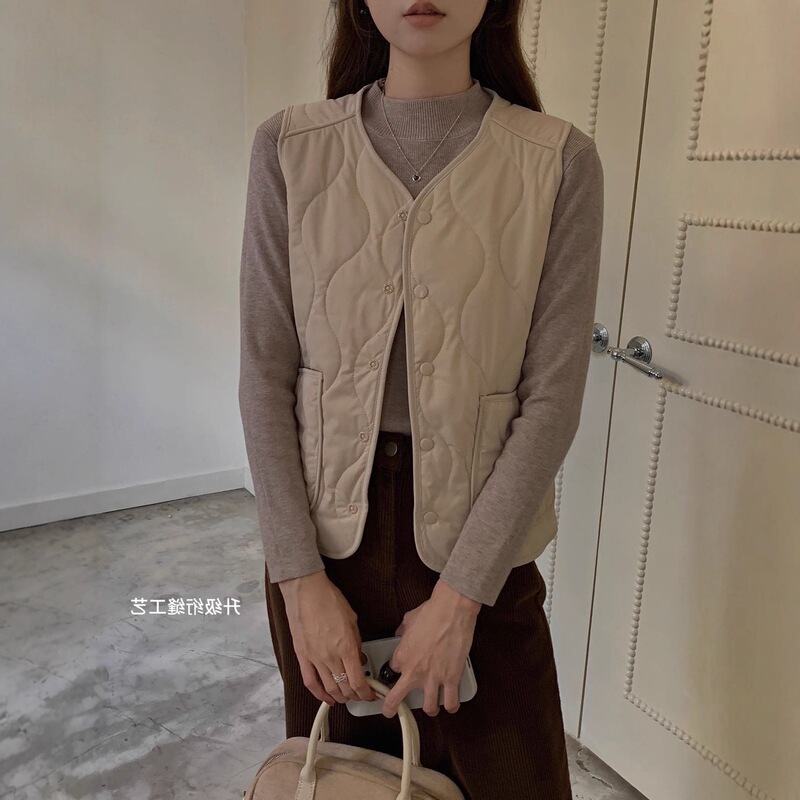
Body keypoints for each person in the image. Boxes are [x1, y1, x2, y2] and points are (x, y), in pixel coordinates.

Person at [238, 1, 603, 797]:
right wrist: (299, 582)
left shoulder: (558, 161)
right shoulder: (290, 148)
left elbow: (551, 399)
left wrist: (462, 598)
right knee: (344, 784)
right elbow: (265, 375)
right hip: (325, 553)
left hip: (483, 548)